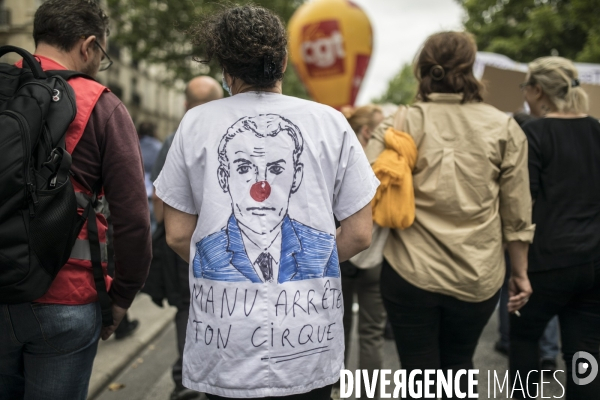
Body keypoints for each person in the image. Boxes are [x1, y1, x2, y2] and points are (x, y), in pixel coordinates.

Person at [154, 5, 377, 399]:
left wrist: (230, 273)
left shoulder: (195, 123)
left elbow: (175, 234)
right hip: (308, 347)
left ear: (225, 68)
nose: (260, 187)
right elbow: (359, 235)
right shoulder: (331, 123)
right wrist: (305, 270)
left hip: (226, 346)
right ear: (285, 63)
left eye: (276, 169)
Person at [367, 31, 534, 398]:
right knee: (459, 366)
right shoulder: (502, 125)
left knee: (418, 375)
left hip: (409, 271)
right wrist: (520, 273)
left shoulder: (398, 122)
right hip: (477, 274)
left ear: (422, 68)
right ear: (471, 69)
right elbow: (516, 212)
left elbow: (363, 192)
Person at [0, 1, 151, 399]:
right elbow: (134, 220)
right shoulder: (102, 104)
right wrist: (121, 298)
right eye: (103, 54)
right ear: (88, 46)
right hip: (65, 301)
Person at [510, 56, 600, 399]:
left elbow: (522, 209)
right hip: (594, 264)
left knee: (523, 340)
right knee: (584, 355)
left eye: (525, 89)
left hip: (546, 263)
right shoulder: (597, 128)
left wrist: (517, 271)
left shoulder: (533, 132)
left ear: (537, 90)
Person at [149, 75, 223, 400]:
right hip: (227, 245)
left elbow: (161, 206)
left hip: (186, 245)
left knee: (187, 308)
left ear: (185, 105)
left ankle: (186, 381)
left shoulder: (175, 139)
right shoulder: (236, 135)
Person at [494, 112, 560, 371]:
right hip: (548, 239)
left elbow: (514, 203)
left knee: (511, 284)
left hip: (520, 237)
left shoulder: (517, 156)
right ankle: (547, 351)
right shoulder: (553, 152)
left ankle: (509, 338)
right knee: (543, 292)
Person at [339, 105, 387, 397]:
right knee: (372, 333)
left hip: (342, 255)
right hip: (376, 258)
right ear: (368, 131)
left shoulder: (340, 158)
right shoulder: (388, 162)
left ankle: (334, 388)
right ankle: (370, 393)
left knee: (337, 331)